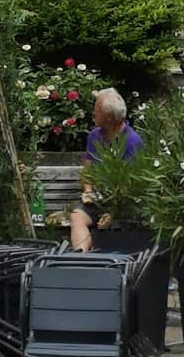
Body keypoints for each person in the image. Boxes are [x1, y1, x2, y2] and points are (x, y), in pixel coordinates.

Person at [70, 88, 142, 251]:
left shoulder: (132, 141)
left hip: (124, 204)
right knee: (77, 217)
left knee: (111, 224)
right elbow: (87, 170)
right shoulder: (95, 135)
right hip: (98, 199)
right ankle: (79, 261)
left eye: (97, 110)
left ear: (109, 118)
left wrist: (114, 212)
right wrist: (88, 191)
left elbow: (132, 185)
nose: (93, 113)